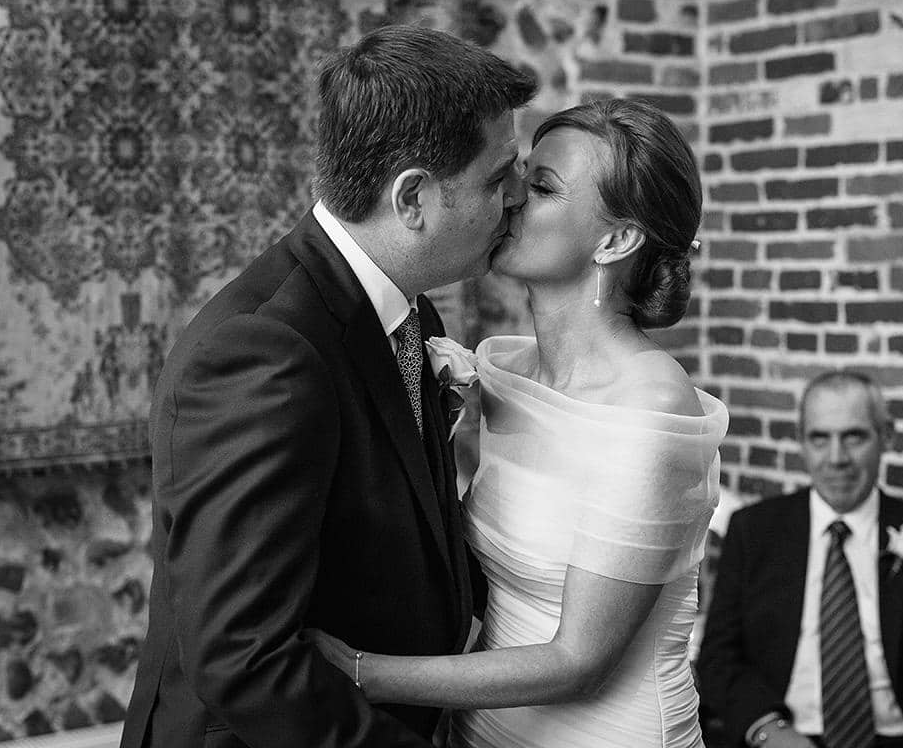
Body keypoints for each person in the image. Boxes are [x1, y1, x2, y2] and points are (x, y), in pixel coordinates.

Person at [119, 25, 536, 748]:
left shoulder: (409, 307)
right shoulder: (265, 353)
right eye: (498, 178)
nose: (519, 197)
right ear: (413, 198)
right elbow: (244, 660)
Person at [305, 98, 729, 747]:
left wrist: (362, 673)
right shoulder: (514, 377)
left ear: (615, 240)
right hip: (485, 731)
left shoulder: (650, 412)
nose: (507, 197)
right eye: (516, 176)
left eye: (541, 187)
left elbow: (578, 661)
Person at [698, 372, 903, 748]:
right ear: (801, 441)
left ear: (887, 436)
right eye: (820, 438)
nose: (837, 459)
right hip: (785, 735)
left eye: (854, 437)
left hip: (902, 738)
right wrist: (768, 729)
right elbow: (719, 658)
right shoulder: (755, 531)